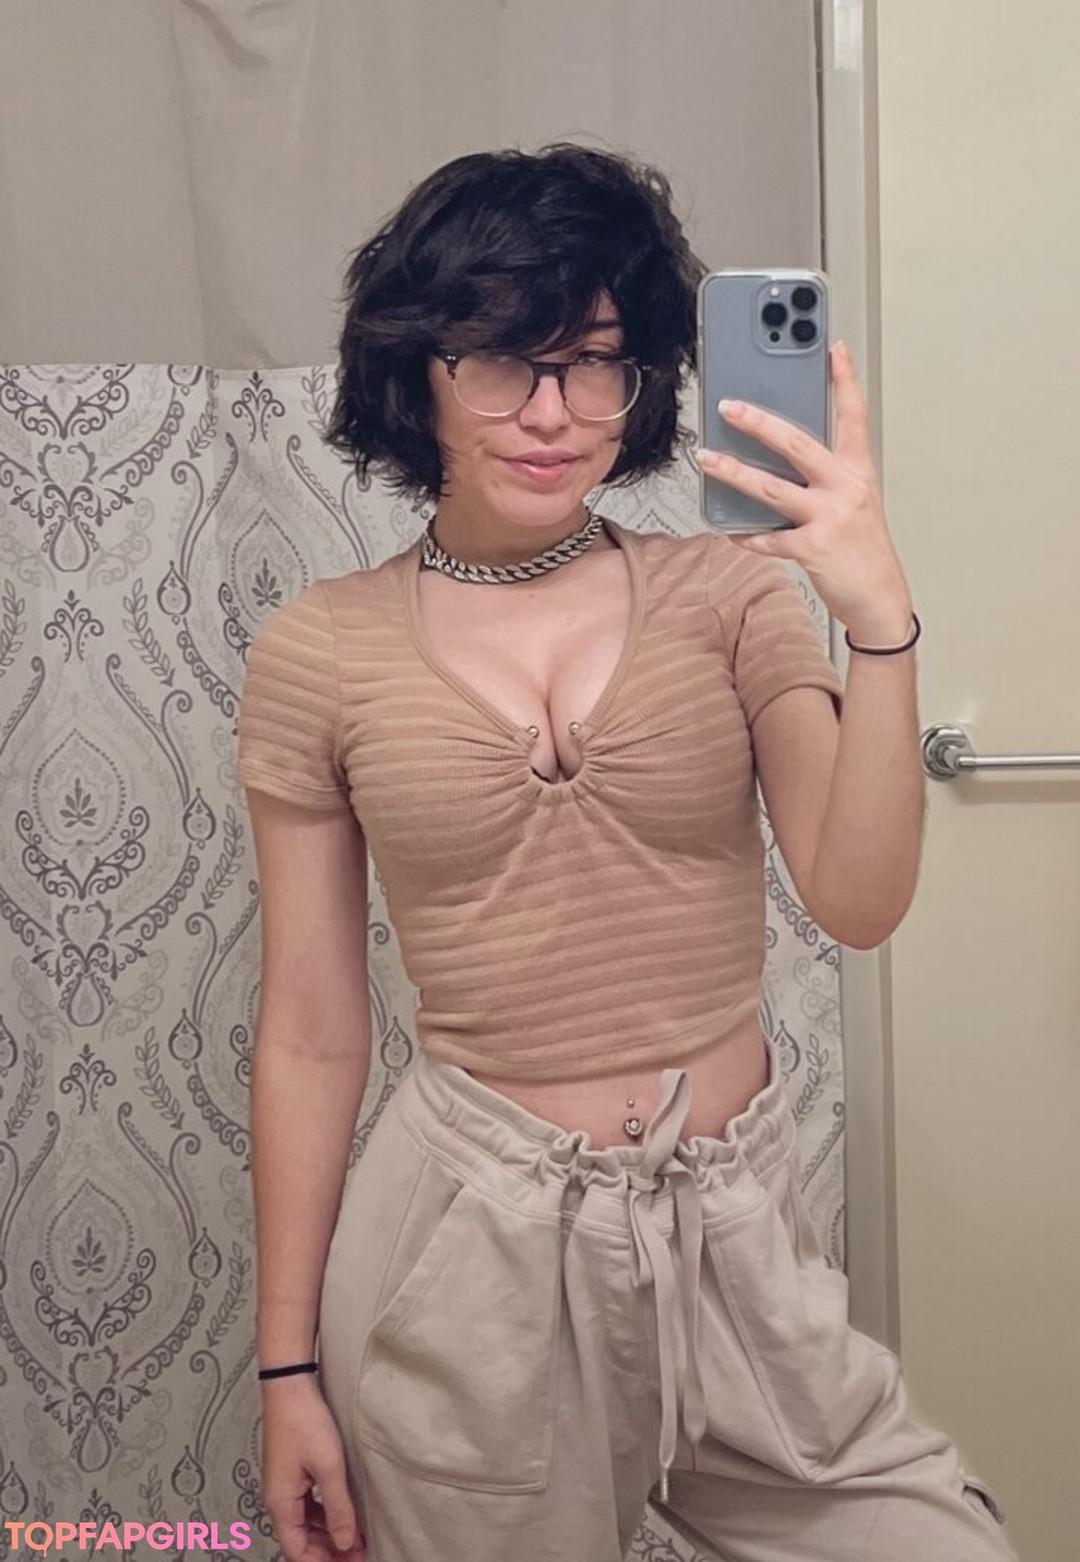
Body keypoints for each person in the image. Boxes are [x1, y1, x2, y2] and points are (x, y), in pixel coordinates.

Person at [237, 144, 1018, 1562]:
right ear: (419, 373)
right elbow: (307, 1027)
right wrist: (286, 1367)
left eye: (595, 362)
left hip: (732, 1227)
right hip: (464, 1250)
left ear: (644, 378)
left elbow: (858, 901)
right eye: (502, 361)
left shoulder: (729, 595)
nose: (553, 414)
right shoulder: (321, 648)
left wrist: (879, 622)